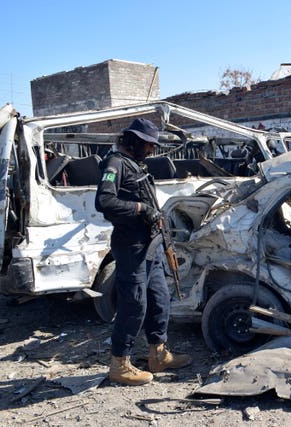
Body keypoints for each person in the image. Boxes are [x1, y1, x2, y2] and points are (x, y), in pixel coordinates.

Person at [95, 118, 191, 386]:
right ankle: (119, 364)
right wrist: (140, 209)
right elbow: (104, 202)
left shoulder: (134, 164)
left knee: (159, 299)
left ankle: (158, 355)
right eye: (148, 145)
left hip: (150, 246)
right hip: (131, 246)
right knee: (134, 303)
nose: (151, 150)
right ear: (134, 141)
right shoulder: (115, 163)